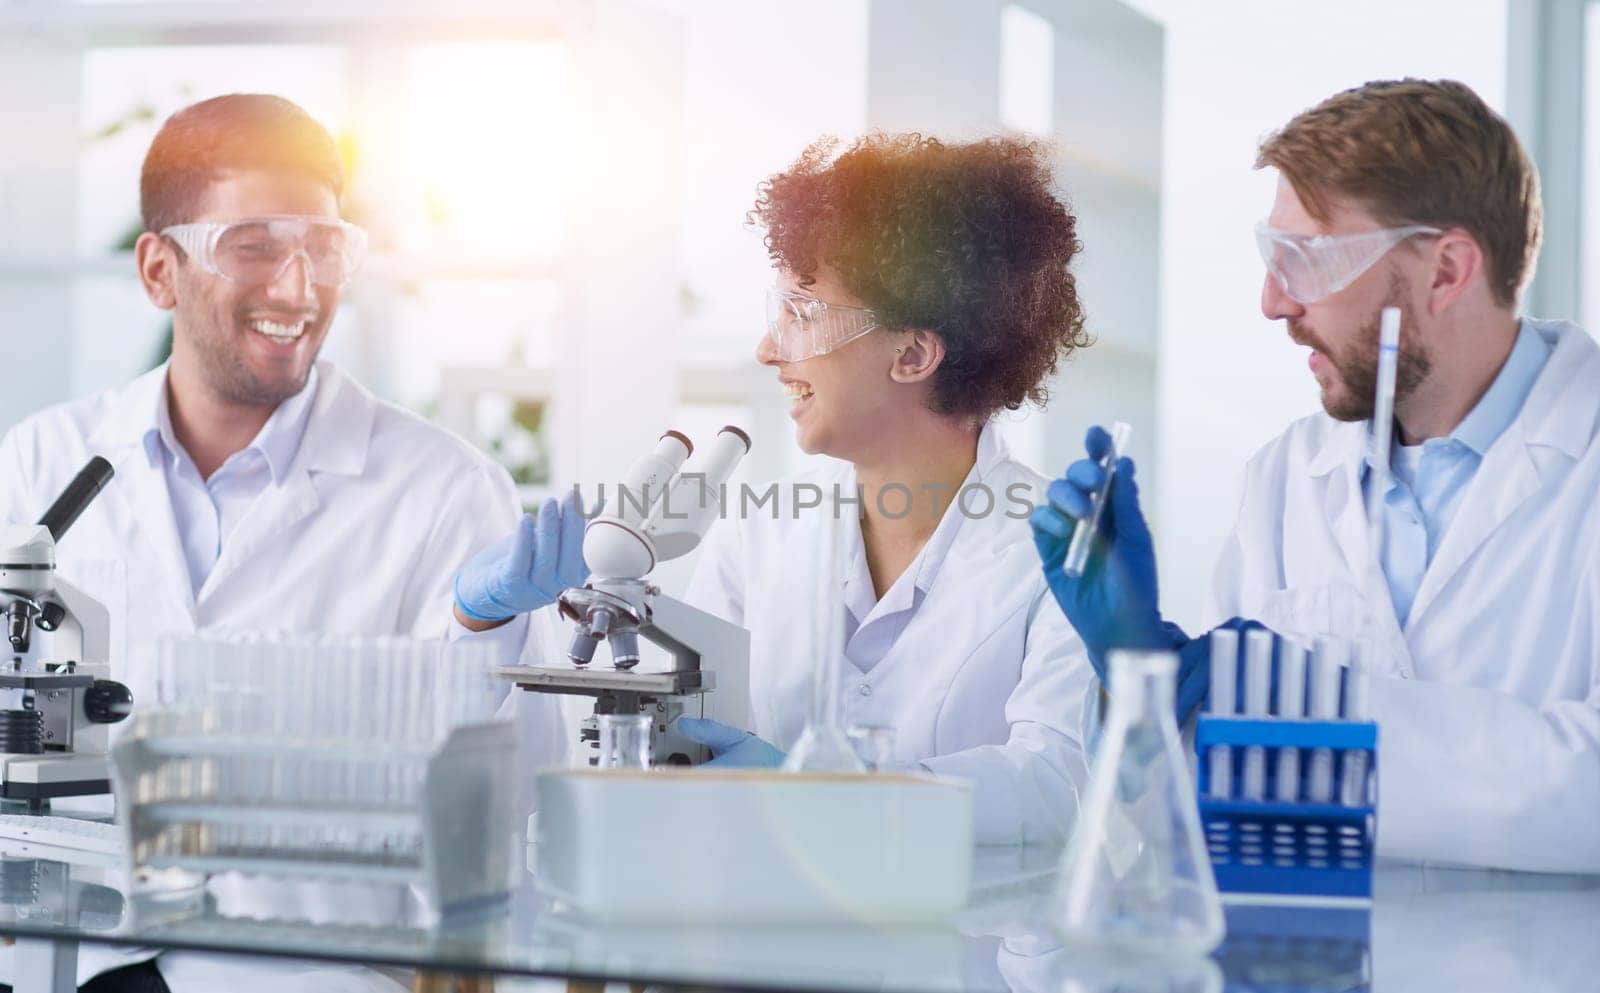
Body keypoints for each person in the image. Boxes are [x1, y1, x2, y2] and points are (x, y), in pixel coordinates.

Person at [0, 94, 566, 992]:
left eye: (325, 247)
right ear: (159, 270)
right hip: (69, 960)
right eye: (255, 245)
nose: (300, 288)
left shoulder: (446, 490)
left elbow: (517, 811)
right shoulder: (40, 464)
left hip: (310, 972)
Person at [457, 132, 1098, 844]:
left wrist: (816, 795)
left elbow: (1054, 786)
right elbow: (686, 730)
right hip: (761, 938)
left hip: (969, 949)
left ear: (913, 353)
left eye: (802, 313)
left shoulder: (1064, 549)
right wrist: (485, 625)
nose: (769, 349)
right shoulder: (759, 530)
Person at [1033, 78, 1600, 872]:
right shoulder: (1287, 480)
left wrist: (1315, 709)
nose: (1272, 301)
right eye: (1272, 256)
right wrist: (1147, 690)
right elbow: (1200, 812)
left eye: (1305, 259)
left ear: (1446, 271)